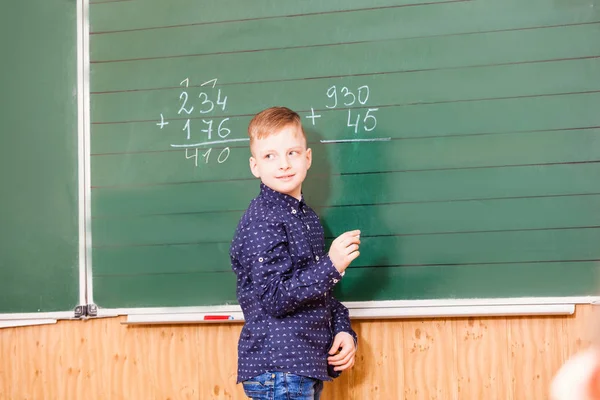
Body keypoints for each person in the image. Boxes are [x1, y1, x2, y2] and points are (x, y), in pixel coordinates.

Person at [230, 106, 361, 399]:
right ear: (255, 166)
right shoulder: (263, 219)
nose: (283, 164)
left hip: (300, 367)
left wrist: (342, 329)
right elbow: (275, 297)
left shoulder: (306, 218)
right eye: (270, 156)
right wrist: (332, 265)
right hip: (279, 369)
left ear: (307, 157)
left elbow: (317, 293)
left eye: (292, 152)